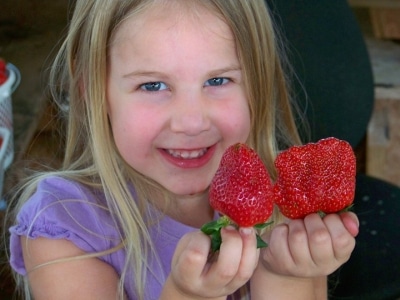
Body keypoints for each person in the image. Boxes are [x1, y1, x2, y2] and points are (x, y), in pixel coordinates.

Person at [6, 0, 359, 299]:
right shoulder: (63, 227)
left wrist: (286, 274)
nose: (191, 122)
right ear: (93, 91)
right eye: (153, 85)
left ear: (258, 83)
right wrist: (185, 293)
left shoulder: (279, 205)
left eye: (218, 80)